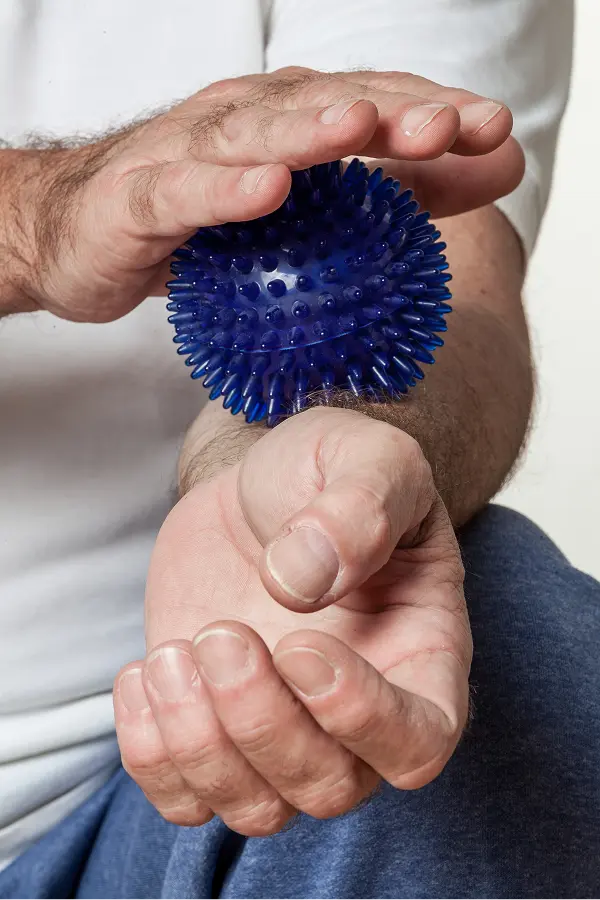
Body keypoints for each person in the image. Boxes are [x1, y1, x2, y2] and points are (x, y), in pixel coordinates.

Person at [1, 1, 598, 898]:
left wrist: (322, 477)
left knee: (476, 634)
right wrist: (33, 221)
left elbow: (455, 295)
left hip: (118, 812)